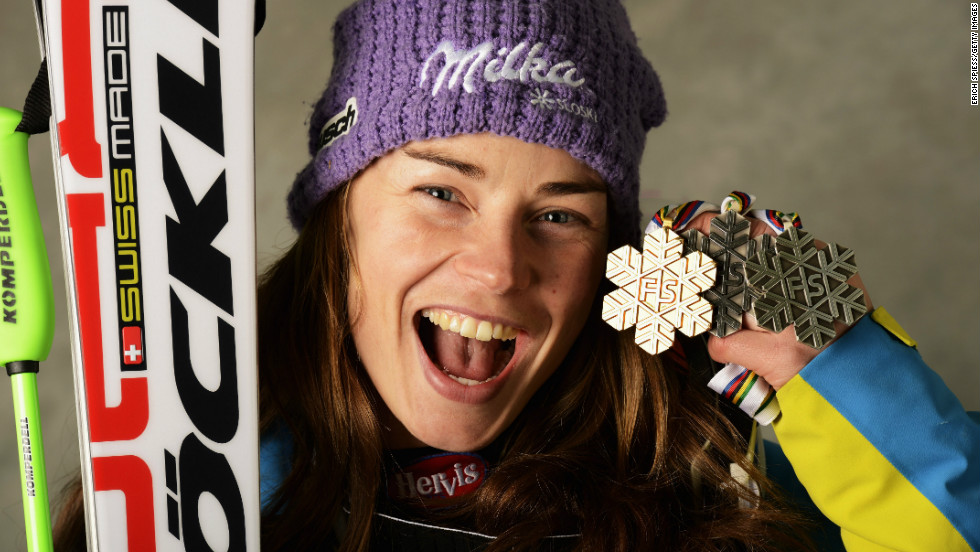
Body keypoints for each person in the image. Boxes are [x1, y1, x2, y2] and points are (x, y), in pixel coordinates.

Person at [56, 0, 979, 550]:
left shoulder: (719, 483)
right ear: (340, 218)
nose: (500, 270)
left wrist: (850, 377)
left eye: (559, 216)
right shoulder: (177, 494)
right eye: (440, 193)